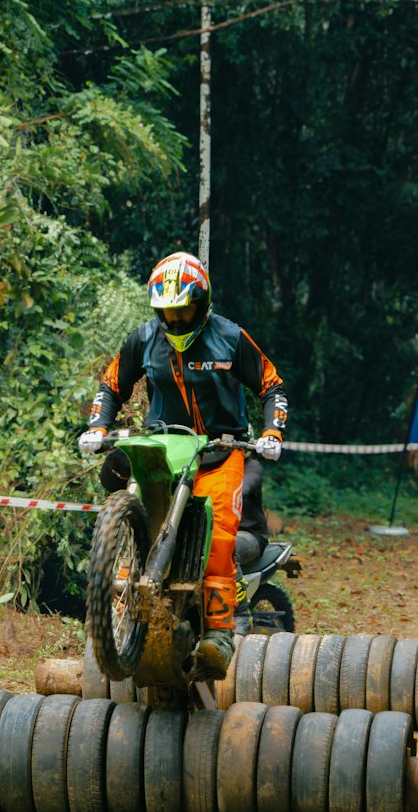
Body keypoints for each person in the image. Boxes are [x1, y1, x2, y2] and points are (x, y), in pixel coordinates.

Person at [79, 251, 288, 677]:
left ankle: (218, 635)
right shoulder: (144, 339)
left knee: (217, 540)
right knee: (131, 512)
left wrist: (271, 433)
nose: (175, 319)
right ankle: (119, 612)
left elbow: (272, 385)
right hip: (164, 447)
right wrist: (99, 426)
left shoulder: (230, 337)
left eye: (183, 309)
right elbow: (111, 383)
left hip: (219, 450)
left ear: (202, 301)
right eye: (167, 312)